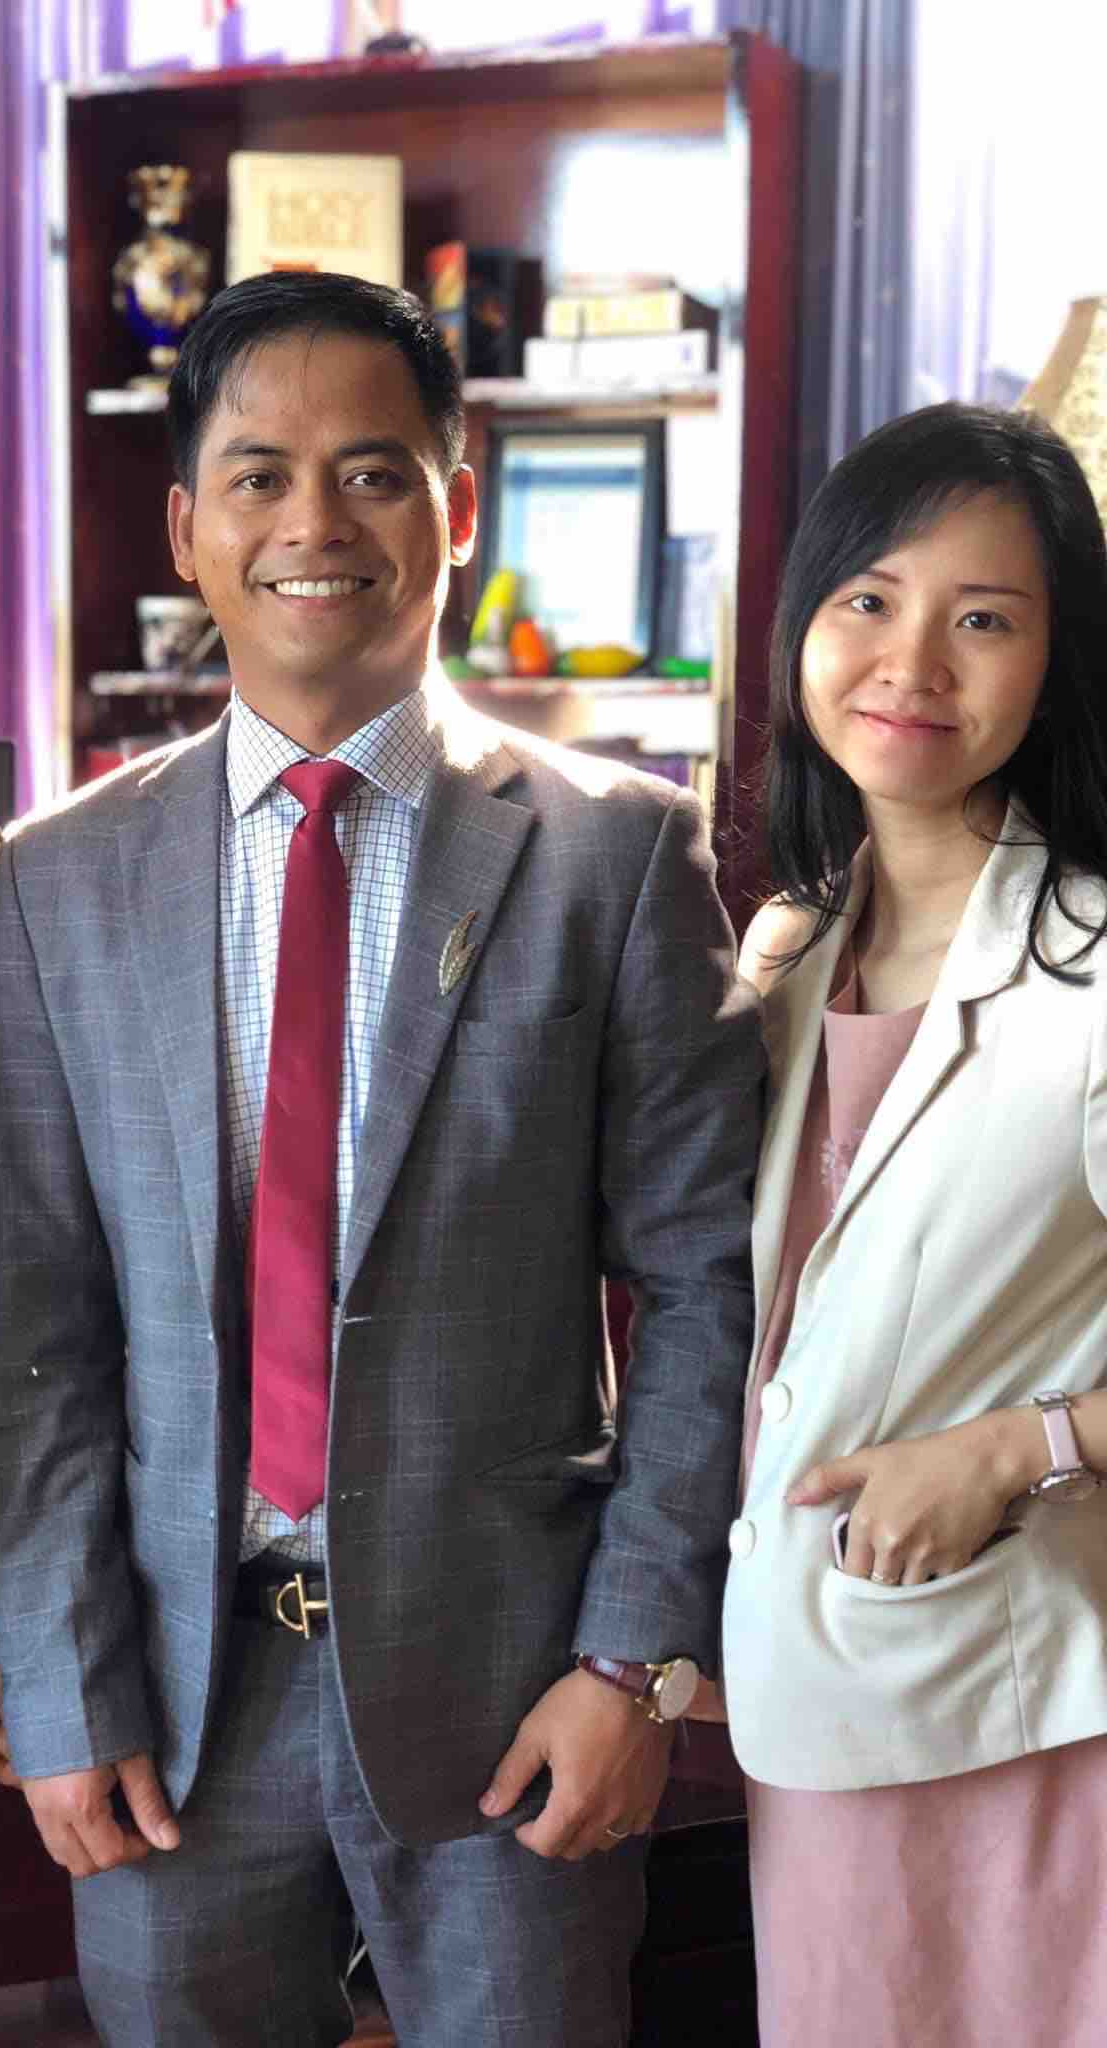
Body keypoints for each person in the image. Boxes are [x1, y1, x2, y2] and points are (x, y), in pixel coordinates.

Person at [0, 271, 762, 2046]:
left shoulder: (618, 855)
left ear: (458, 510)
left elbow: (707, 1282)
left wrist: (635, 1662)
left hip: (516, 1692)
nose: (312, 523)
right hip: (175, 1706)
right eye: (258, 475)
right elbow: (40, 1327)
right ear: (186, 530)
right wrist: (61, 1671)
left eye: (374, 473)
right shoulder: (60, 879)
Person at [722, 402, 1107, 2047]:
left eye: (985, 620)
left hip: (1032, 1704)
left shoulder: (1093, 964)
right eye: (870, 599)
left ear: (1057, 661)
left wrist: (1019, 1447)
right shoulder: (786, 953)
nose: (913, 664)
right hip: (806, 1690)